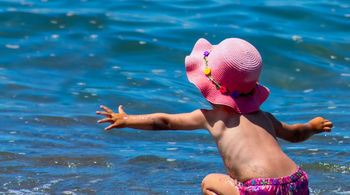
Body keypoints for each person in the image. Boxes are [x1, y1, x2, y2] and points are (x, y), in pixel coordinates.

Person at [96, 38, 333, 195]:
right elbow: (295, 134)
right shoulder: (265, 117)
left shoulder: (212, 118)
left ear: (211, 88)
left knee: (209, 182)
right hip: (297, 181)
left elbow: (164, 122)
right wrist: (312, 126)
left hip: (262, 190)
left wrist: (126, 120)